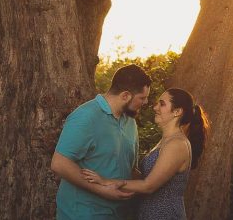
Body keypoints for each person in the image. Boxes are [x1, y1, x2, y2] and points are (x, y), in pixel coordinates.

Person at [81, 88, 209, 220]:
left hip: (164, 215)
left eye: (162, 104)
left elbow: (148, 185)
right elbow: (144, 176)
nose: (155, 107)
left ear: (177, 112)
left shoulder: (177, 144)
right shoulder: (166, 140)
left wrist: (106, 181)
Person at [51, 64, 152, 220]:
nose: (145, 103)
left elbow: (130, 168)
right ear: (125, 95)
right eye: (142, 98)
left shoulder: (130, 121)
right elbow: (59, 163)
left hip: (118, 215)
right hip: (81, 214)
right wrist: (101, 189)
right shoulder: (85, 117)